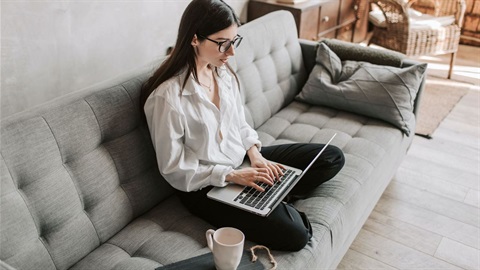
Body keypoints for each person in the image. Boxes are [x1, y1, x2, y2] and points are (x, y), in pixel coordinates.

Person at [141, 0, 345, 251]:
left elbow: (240, 124)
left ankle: (269, 195)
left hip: (242, 162)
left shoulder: (222, 73)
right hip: (205, 186)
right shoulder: (167, 98)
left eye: (234, 41)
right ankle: (271, 198)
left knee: (331, 157)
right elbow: (174, 168)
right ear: (195, 39)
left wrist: (256, 156)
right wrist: (233, 176)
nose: (231, 52)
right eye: (223, 43)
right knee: (296, 236)